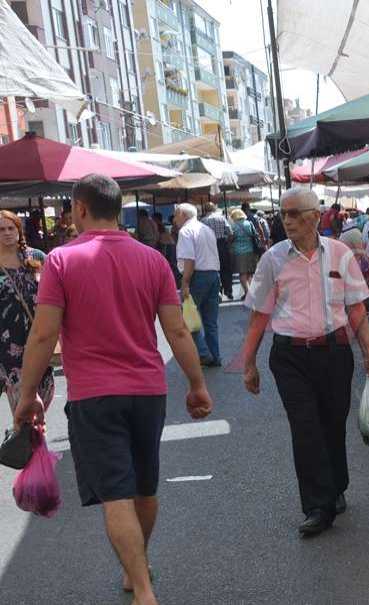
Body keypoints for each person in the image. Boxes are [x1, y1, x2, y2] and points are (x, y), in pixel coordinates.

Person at [14, 174, 212, 605]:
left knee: (116, 494)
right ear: (118, 208)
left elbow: (44, 336)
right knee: (145, 487)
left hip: (93, 396)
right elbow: (177, 330)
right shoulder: (154, 260)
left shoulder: (61, 261)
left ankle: (142, 588)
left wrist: (27, 394)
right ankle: (135, 569)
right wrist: (196, 385)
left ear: (80, 209)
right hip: (147, 390)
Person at [240, 188, 369, 537]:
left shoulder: (339, 254)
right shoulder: (273, 259)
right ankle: (317, 506)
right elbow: (260, 314)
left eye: (293, 214)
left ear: (314, 217)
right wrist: (249, 363)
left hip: (334, 352)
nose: (286, 220)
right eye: (282, 214)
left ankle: (336, 486)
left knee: (333, 425)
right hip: (289, 357)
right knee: (305, 428)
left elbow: (356, 308)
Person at [0, 210, 54, 426]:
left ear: (19, 230)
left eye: (11, 228)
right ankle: (30, 455)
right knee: (25, 416)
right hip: (6, 347)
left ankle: (32, 451)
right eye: (1, 229)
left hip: (38, 340)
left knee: (42, 399)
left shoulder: (37, 258)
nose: (6, 233)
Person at [175, 203, 222, 367]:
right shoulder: (206, 229)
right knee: (210, 320)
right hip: (213, 274)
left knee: (188, 316)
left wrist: (185, 282)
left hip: (198, 276)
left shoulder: (185, 231)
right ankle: (215, 356)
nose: (174, 219)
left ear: (182, 214)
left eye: (175, 215)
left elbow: (189, 259)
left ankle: (203, 353)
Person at [200, 203, 234, 300]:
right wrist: (227, 242)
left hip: (209, 246)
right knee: (226, 268)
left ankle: (217, 291)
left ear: (205, 209)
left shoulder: (203, 221)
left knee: (214, 269)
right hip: (222, 244)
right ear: (214, 208)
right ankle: (228, 290)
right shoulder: (221, 218)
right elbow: (230, 233)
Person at [229, 208, 257, 300]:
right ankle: (249, 291)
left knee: (242, 274)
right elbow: (255, 234)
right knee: (249, 273)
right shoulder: (249, 223)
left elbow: (231, 238)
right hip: (250, 250)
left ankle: (248, 293)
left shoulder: (234, 226)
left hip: (239, 252)